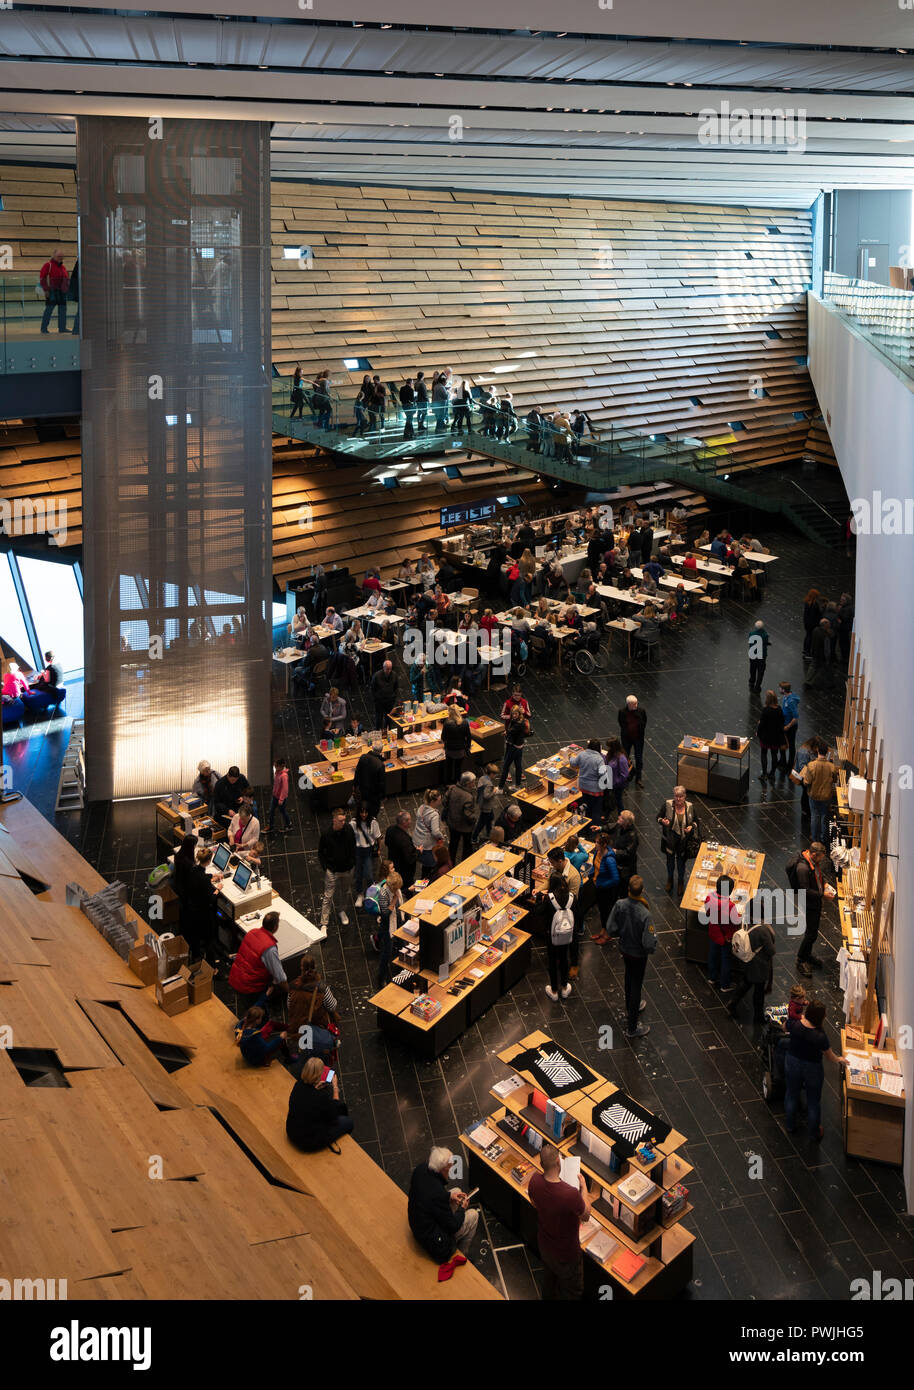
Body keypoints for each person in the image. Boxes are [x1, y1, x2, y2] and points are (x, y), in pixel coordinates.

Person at [528, 1144, 591, 1300]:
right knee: (572, 1291)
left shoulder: (534, 1181)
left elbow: (534, 1202)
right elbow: (586, 1215)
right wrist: (584, 1188)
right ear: (558, 1162)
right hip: (567, 1254)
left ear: (541, 1164)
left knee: (549, 1282)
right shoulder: (570, 1194)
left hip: (545, 1246)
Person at [783, 999, 849, 1140]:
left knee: (791, 1094)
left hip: (793, 1062)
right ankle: (814, 1133)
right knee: (813, 1101)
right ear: (820, 1017)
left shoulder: (795, 1025)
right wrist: (840, 1059)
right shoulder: (820, 1036)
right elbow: (830, 1056)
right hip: (812, 1068)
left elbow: (784, 1027)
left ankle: (790, 1125)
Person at [408, 1147, 479, 1271]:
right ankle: (460, 1253)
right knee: (473, 1215)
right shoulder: (437, 1194)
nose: (450, 1173)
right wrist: (462, 1209)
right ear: (441, 1170)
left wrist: (449, 1196)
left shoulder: (421, 1169)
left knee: (456, 1191)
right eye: (448, 1169)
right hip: (433, 1241)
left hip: (417, 1223)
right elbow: (452, 1225)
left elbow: (429, 1195)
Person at [607, 875, 656, 1037]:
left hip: (625, 949)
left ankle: (629, 1005)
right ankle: (632, 1027)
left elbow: (610, 928)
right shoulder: (645, 913)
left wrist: (620, 934)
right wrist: (649, 949)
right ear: (642, 891)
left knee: (628, 976)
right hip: (639, 954)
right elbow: (648, 943)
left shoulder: (620, 904)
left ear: (628, 889)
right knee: (636, 985)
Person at [286, 1057, 354, 1153]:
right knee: (348, 1122)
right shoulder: (322, 1097)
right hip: (307, 1142)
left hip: (292, 1131)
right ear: (318, 1075)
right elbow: (335, 1116)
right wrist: (335, 1088)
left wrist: (316, 1088)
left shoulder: (298, 1085)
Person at [228, 909, 287, 1014]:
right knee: (259, 1017)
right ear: (275, 927)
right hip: (250, 987)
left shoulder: (252, 932)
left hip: (236, 978)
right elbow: (280, 977)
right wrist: (289, 991)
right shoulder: (269, 948)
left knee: (248, 1009)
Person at [286, 956, 340, 1065]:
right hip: (318, 1026)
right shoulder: (321, 988)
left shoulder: (293, 986)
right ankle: (321, 1068)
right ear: (315, 967)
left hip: (300, 1027)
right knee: (320, 1051)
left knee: (305, 1049)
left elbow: (289, 1005)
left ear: (301, 968)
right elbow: (332, 1006)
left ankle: (305, 1061)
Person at [726, 909, 775, 1023]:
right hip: (759, 965)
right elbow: (771, 950)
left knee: (746, 982)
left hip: (746, 959)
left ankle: (732, 1003)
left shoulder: (746, 921)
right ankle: (758, 1017)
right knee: (758, 993)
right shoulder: (763, 930)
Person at [792, 840, 830, 978]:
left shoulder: (812, 862)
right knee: (811, 934)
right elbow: (804, 890)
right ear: (814, 854)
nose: (822, 860)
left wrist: (824, 884)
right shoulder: (803, 868)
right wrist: (822, 894)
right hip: (809, 904)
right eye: (820, 857)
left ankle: (807, 954)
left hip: (815, 901)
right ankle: (801, 959)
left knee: (812, 932)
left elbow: (819, 875)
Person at [318, 808, 356, 930]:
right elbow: (321, 852)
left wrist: (352, 863)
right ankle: (324, 923)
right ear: (334, 820)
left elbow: (353, 846)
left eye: (344, 820)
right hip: (332, 871)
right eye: (340, 820)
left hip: (347, 869)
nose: (343, 822)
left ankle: (342, 911)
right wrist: (326, 868)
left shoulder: (349, 830)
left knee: (345, 892)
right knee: (328, 896)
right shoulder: (326, 834)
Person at [656, 785, 697, 895]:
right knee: (670, 862)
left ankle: (680, 882)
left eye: (680, 796)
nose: (678, 799)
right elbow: (658, 818)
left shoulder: (690, 806)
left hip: (683, 841)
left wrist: (691, 827)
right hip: (670, 840)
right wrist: (663, 822)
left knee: (681, 863)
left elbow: (695, 821)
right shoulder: (668, 804)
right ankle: (670, 880)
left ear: (685, 796)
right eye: (676, 796)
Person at [703, 874, 740, 990]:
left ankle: (712, 978)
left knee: (713, 955)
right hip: (726, 937)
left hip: (714, 932)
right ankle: (725, 985)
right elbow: (736, 921)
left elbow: (708, 913)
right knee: (726, 959)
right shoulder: (730, 905)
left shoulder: (709, 897)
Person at [801, 747, 839, 846]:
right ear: (826, 753)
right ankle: (822, 838)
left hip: (814, 795)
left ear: (817, 751)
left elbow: (807, 782)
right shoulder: (831, 766)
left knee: (814, 815)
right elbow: (835, 780)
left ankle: (814, 838)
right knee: (823, 816)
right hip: (826, 796)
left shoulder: (811, 765)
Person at [235, 1000, 288, 1067]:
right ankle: (288, 1058)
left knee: (271, 1024)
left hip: (248, 1052)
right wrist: (280, 1037)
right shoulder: (254, 1035)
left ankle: (289, 1028)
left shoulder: (239, 1025)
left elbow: (254, 1007)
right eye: (261, 1018)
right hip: (255, 1060)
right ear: (257, 1020)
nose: (261, 1019)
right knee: (281, 1041)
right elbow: (266, 1049)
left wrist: (265, 995)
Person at [590, 832, 621, 944]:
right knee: (602, 911)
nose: (595, 844)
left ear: (603, 845)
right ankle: (603, 930)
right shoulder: (597, 853)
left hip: (607, 891)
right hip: (599, 887)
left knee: (607, 912)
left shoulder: (609, 860)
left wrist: (602, 885)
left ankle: (608, 935)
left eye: (597, 843)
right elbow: (595, 866)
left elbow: (615, 879)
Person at [569, 739, 606, 827]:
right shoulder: (599, 759)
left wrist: (570, 757)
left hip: (583, 787)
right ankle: (595, 828)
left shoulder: (582, 754)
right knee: (596, 810)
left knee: (586, 806)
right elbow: (602, 773)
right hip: (595, 790)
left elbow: (573, 763)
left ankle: (585, 824)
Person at [351, 804, 382, 909]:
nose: (364, 814)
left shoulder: (373, 822)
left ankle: (371, 895)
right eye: (361, 812)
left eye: (366, 812)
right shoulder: (354, 823)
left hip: (368, 850)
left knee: (369, 874)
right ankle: (360, 895)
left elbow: (378, 837)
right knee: (358, 874)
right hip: (358, 850)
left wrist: (378, 849)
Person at [444, 772, 477, 864]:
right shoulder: (468, 797)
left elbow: (444, 802)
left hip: (452, 823)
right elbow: (468, 814)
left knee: (453, 845)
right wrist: (474, 819)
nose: (474, 783)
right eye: (473, 781)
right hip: (464, 827)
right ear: (467, 783)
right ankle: (464, 864)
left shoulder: (452, 788)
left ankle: (450, 864)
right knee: (467, 846)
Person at [756, 689, 786, 783]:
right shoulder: (779, 709)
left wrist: (758, 732)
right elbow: (782, 722)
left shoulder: (766, 710)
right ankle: (772, 773)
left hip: (765, 736)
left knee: (764, 753)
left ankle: (764, 774)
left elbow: (762, 724)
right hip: (776, 736)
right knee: (774, 754)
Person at [412, 788, 444, 874]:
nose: (440, 802)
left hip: (417, 840)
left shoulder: (421, 808)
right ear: (433, 801)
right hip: (427, 844)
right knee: (430, 866)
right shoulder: (434, 815)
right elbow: (435, 832)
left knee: (424, 863)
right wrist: (441, 836)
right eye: (439, 800)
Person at [617, 695, 646, 787]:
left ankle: (639, 778)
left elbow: (644, 722)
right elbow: (621, 723)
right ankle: (625, 776)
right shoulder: (622, 712)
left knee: (639, 759)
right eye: (634, 704)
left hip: (638, 739)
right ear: (628, 704)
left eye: (636, 703)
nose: (636, 705)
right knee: (625, 758)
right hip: (627, 739)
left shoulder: (641, 711)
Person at [385, 810, 417, 891]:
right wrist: (418, 851)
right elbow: (410, 859)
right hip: (404, 871)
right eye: (409, 819)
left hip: (393, 862)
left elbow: (386, 843)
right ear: (404, 822)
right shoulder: (404, 840)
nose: (411, 821)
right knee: (406, 888)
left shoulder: (390, 829)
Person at [499, 704, 529, 790]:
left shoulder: (519, 723)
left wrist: (506, 732)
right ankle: (517, 786)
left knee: (506, 766)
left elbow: (511, 731)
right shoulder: (519, 720)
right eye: (513, 714)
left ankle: (500, 788)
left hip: (514, 747)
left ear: (519, 713)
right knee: (518, 766)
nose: (514, 715)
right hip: (517, 747)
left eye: (516, 713)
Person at [353, 744, 386, 822]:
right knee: (373, 811)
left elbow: (357, 772)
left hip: (362, 789)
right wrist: (383, 796)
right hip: (373, 793)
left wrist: (354, 785)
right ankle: (370, 823)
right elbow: (382, 783)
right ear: (381, 751)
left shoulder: (363, 757)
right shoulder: (380, 764)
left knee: (362, 806)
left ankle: (361, 820)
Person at [39, 249, 69, 333]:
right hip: (52, 291)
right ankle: (44, 328)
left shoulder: (63, 267)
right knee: (49, 310)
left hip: (62, 292)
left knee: (62, 310)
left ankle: (62, 328)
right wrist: (46, 290)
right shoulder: (48, 265)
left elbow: (66, 279)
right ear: (54, 256)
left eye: (62, 257)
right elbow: (42, 278)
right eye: (59, 256)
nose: (60, 258)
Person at [442, 705, 471, 783]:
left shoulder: (447, 723)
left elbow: (443, 737)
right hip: (461, 750)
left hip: (450, 750)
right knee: (458, 768)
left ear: (450, 713)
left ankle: (448, 784)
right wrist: (468, 747)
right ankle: (457, 782)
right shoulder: (465, 722)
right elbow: (468, 737)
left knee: (449, 768)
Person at [603, 738, 630, 819]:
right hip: (609, 782)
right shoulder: (610, 754)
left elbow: (624, 775)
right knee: (609, 799)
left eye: (609, 747)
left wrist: (615, 783)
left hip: (617, 785)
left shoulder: (621, 759)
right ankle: (606, 816)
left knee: (618, 801)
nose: (608, 748)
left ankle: (622, 818)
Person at [777, 681, 800, 774]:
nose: (779, 689)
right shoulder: (786, 697)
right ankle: (783, 761)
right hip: (785, 724)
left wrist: (788, 726)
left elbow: (796, 717)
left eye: (780, 688)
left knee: (791, 745)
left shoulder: (790, 701)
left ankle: (789, 765)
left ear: (783, 690)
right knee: (783, 743)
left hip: (790, 727)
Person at [370, 658, 398, 731]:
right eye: (387, 669)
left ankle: (387, 731)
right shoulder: (377, 676)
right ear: (384, 668)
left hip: (389, 701)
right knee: (379, 718)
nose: (389, 671)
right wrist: (376, 698)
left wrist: (393, 697)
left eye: (390, 669)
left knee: (388, 718)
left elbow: (396, 687)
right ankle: (378, 731)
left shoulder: (394, 675)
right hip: (379, 701)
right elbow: (372, 688)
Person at [473, 762, 498, 842]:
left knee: (490, 818)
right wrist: (494, 791)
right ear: (491, 774)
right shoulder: (489, 784)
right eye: (495, 774)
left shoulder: (482, 778)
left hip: (482, 803)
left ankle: (489, 833)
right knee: (481, 823)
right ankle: (474, 837)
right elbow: (486, 796)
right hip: (486, 806)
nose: (495, 776)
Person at [268, 757, 292, 833]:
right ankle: (271, 826)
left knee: (282, 811)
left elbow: (285, 789)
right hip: (275, 796)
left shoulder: (284, 776)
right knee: (271, 810)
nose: (275, 767)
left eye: (276, 766)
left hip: (280, 798)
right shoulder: (277, 772)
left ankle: (288, 825)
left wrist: (281, 799)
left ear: (281, 766)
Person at [748, 620, 770, 693]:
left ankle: (752, 680)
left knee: (752, 668)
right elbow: (766, 641)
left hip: (753, 654)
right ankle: (757, 686)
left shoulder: (751, 634)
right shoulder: (765, 634)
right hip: (761, 655)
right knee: (760, 671)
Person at [802, 588, 822, 656]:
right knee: (810, 637)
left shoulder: (807, 602)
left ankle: (805, 649)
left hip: (807, 623)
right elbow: (815, 615)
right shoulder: (814, 604)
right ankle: (808, 651)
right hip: (813, 624)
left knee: (807, 636)